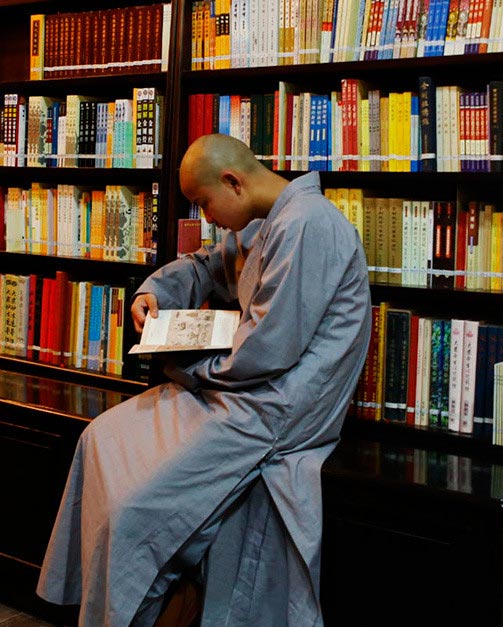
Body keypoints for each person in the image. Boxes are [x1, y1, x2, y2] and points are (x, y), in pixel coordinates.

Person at [36, 134, 372, 626]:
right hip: (240, 389)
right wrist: (155, 294)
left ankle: (150, 605)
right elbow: (205, 265)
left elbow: (267, 350)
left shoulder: (308, 224)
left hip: (276, 408)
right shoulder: (269, 221)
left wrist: (185, 366)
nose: (207, 218)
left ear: (233, 182)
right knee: (100, 439)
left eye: (204, 203)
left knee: (133, 509)